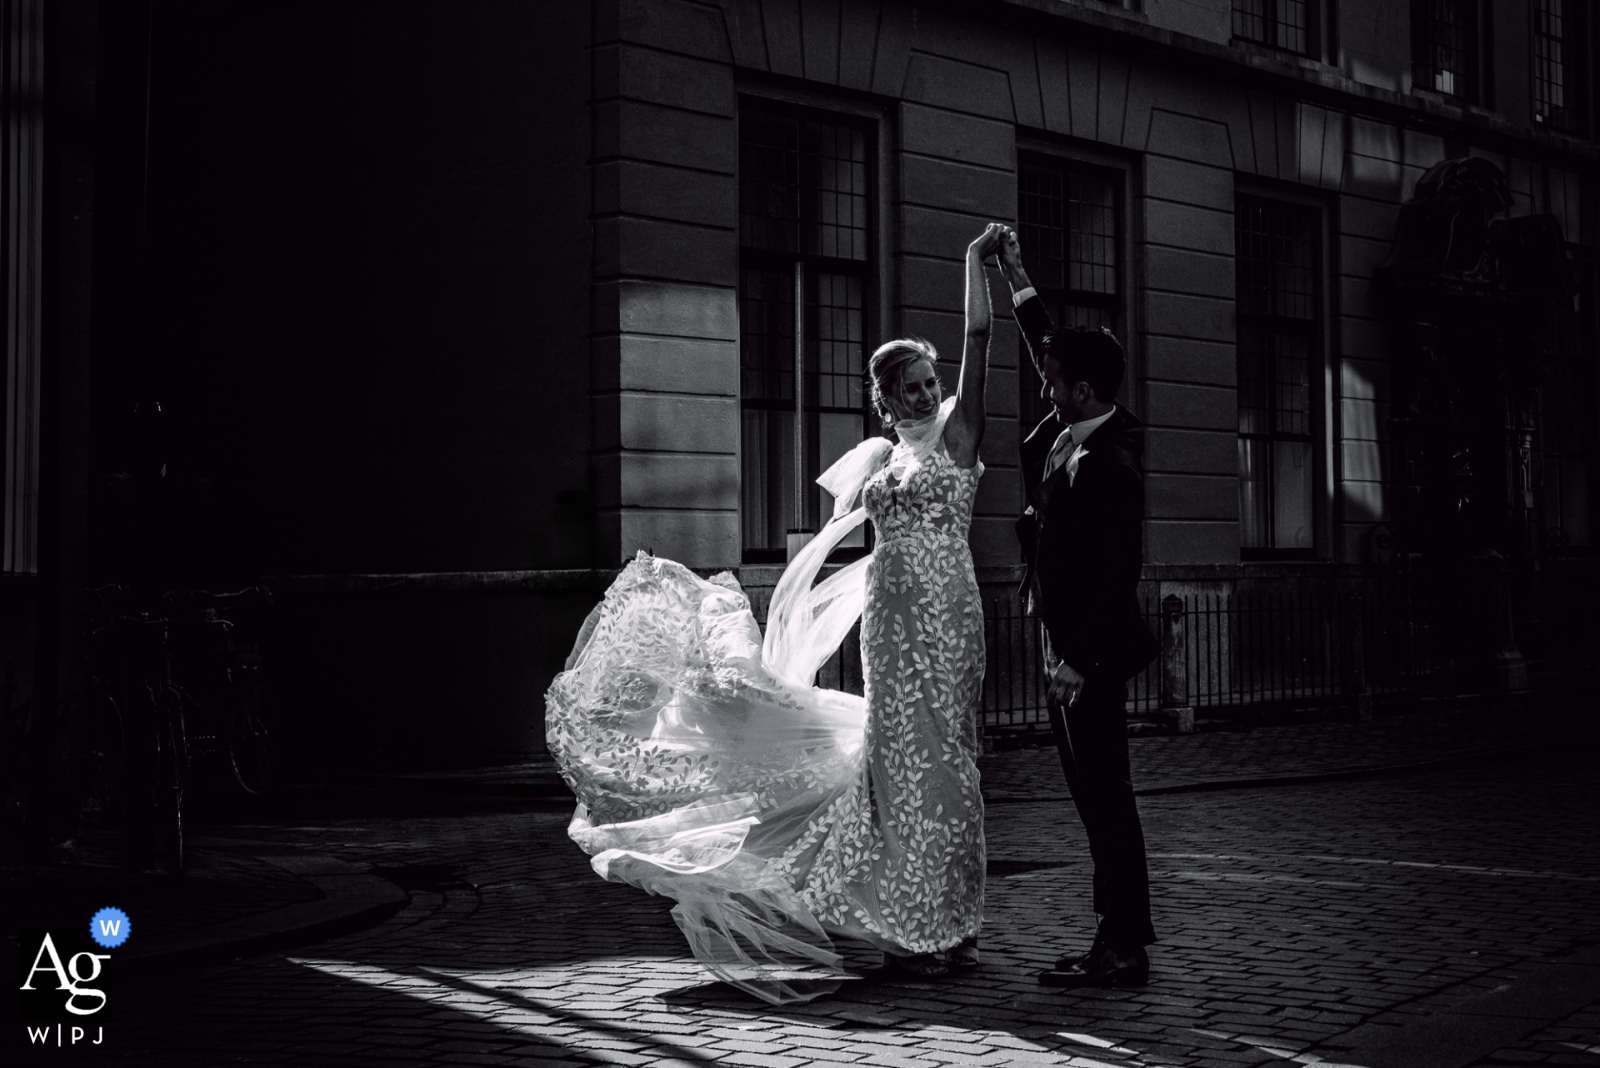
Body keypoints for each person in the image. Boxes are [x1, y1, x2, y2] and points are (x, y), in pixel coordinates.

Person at [544, 223, 1006, 1002]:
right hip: (889, 626)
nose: (927, 394)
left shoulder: (959, 438)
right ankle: (910, 924)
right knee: (895, 766)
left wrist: (971, 263)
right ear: (886, 402)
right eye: (911, 388)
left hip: (949, 618)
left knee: (946, 762)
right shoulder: (882, 460)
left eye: (930, 382)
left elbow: (980, 335)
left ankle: (947, 923)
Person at [995, 229, 1161, 988]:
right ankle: (1117, 939)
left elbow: (1110, 575)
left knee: (1105, 800)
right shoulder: (1082, 423)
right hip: (1068, 650)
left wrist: (1077, 661)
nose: (1044, 388)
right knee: (1096, 797)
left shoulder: (1109, 466)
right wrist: (1017, 276)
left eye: (1054, 382)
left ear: (1084, 391)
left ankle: (1122, 946)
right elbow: (1050, 350)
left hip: (1084, 660)